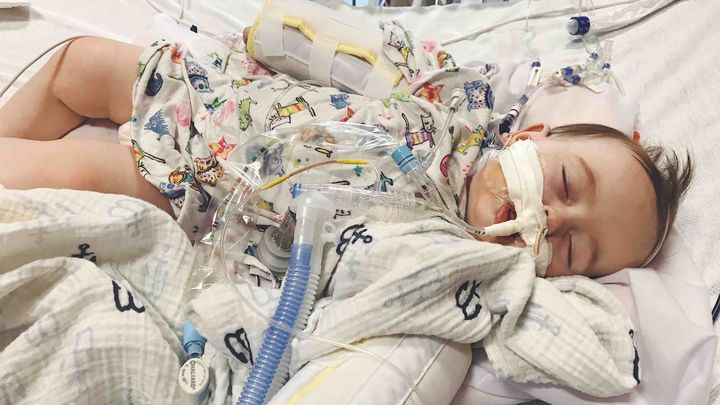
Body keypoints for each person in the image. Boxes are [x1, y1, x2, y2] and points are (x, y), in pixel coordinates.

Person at [0, 31, 692, 279]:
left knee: (54, 178)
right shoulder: (466, 109)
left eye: (568, 249)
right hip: (218, 95)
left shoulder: (446, 249)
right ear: (529, 137)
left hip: (199, 188)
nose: (550, 218)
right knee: (78, 62)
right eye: (565, 183)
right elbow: (389, 59)